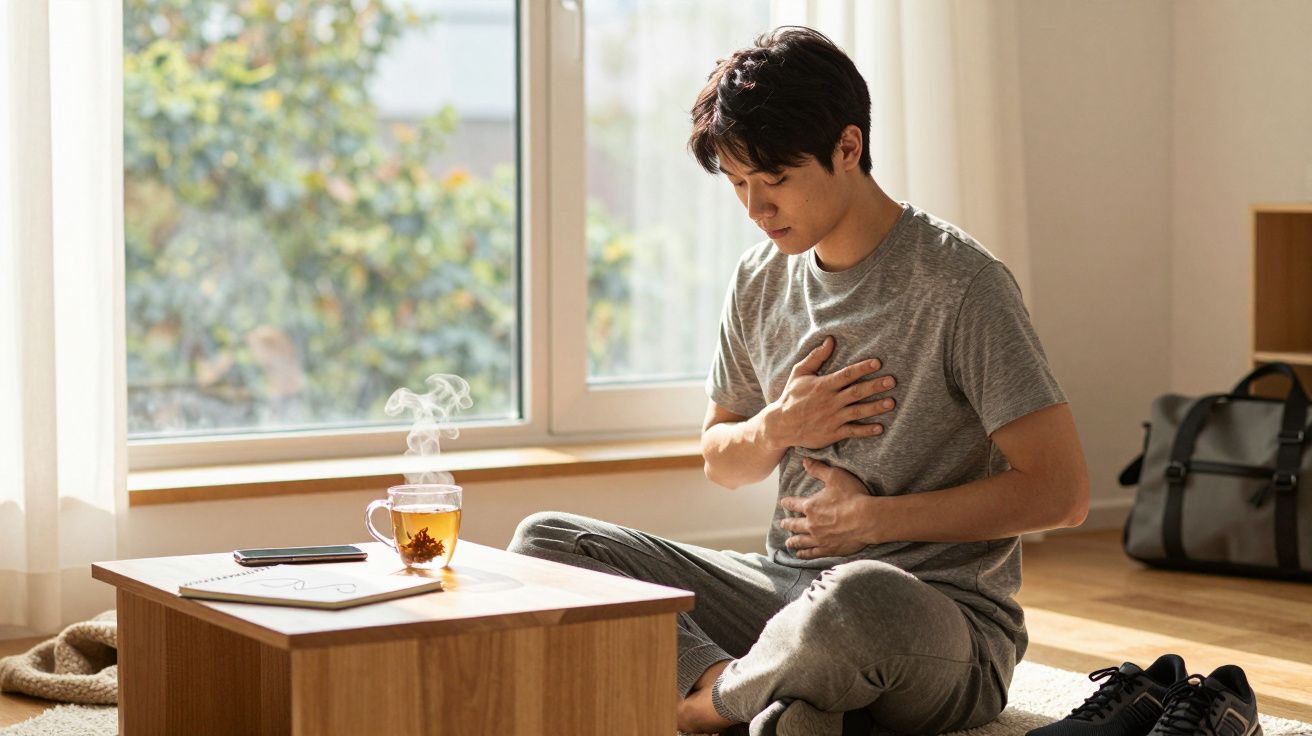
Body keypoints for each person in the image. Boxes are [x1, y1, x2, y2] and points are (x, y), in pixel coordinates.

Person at [508, 26, 1089, 736]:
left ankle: (704, 705)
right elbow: (720, 461)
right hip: (786, 593)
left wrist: (877, 522)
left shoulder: (963, 284)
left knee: (855, 599)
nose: (755, 208)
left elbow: (1062, 493)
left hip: (934, 618)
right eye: (737, 184)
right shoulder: (759, 280)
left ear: (848, 148)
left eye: (775, 180)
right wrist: (779, 425)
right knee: (549, 543)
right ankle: (769, 696)